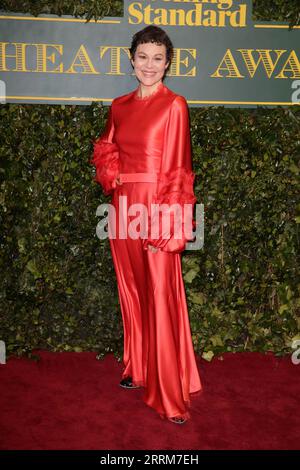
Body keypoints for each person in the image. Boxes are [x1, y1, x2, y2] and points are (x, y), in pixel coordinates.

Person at [91, 25, 202, 424]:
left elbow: (177, 170)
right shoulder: (119, 105)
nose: (149, 65)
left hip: (155, 211)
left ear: (168, 63)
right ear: (132, 59)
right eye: (143, 57)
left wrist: (168, 226)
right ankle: (138, 368)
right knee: (133, 291)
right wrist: (114, 173)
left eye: (158, 58)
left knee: (159, 293)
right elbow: (107, 148)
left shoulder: (175, 105)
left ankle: (170, 393)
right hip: (123, 210)